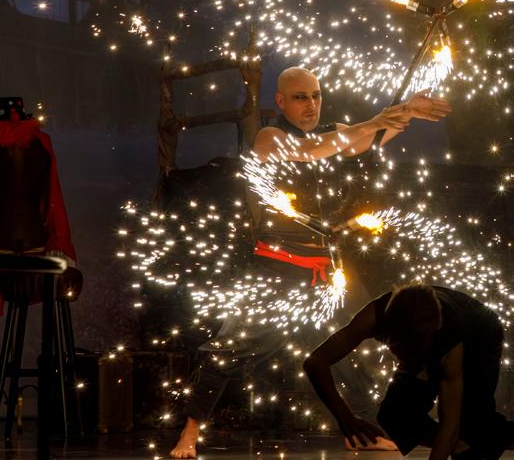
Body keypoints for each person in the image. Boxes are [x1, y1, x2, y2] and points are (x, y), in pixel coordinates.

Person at [169, 67, 451, 459]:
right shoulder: (270, 137)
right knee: (228, 349)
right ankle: (188, 433)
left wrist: (407, 111)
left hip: (325, 274)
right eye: (301, 97)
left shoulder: (335, 133)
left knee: (357, 352)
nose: (311, 104)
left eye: (316, 96)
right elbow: (313, 150)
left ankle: (364, 430)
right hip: (278, 272)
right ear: (281, 101)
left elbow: (373, 136)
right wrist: (376, 120)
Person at [303, 283, 514, 460]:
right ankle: (469, 445)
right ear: (390, 333)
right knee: (394, 414)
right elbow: (315, 362)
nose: (410, 358)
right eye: (402, 350)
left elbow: (450, 423)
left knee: (473, 424)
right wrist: (344, 416)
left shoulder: (452, 344)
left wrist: (452, 442)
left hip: (480, 332)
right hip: (434, 328)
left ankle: (479, 441)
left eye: (417, 351)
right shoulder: (372, 318)